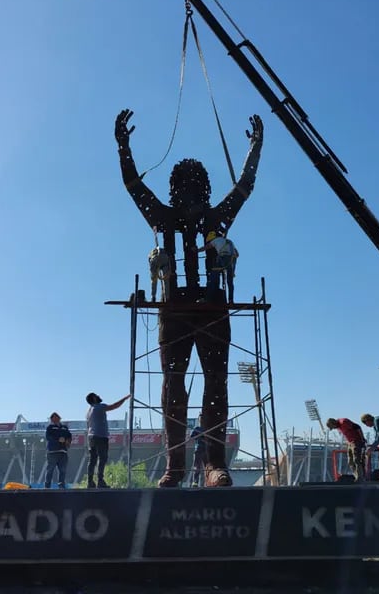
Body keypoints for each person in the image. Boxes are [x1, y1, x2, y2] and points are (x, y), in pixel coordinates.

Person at [116, 108, 263, 488]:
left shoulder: (217, 221)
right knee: (173, 387)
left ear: (207, 190)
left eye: (198, 186)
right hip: (175, 310)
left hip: (212, 310)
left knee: (217, 384)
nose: (192, 193)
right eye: (184, 186)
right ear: (174, 190)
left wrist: (255, 149)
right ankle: (176, 466)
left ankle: (215, 464)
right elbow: (134, 188)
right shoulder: (163, 220)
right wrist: (123, 147)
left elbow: (244, 188)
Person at [85, 392, 131, 488]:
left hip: (91, 436)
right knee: (102, 458)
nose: (98, 396)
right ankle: (100, 481)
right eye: (96, 395)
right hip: (100, 436)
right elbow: (114, 406)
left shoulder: (89, 411)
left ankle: (90, 482)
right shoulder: (99, 407)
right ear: (93, 399)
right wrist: (125, 398)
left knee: (92, 459)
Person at [201, 230, 239, 303]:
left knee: (212, 279)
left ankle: (208, 299)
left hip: (222, 259)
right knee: (230, 282)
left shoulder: (215, 240)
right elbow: (237, 254)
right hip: (230, 262)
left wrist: (196, 250)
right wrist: (233, 271)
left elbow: (205, 247)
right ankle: (231, 300)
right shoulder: (229, 242)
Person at [326, 417, 367, 481]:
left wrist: (362, 439)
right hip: (350, 443)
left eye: (333, 427)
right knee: (350, 461)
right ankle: (357, 476)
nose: (334, 428)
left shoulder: (344, 422)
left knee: (357, 460)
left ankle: (360, 477)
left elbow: (357, 427)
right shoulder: (338, 427)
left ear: (334, 423)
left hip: (356, 441)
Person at [44, 412, 72, 489]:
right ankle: (47, 486)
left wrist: (68, 441)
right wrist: (58, 440)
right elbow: (48, 437)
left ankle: (61, 485)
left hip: (63, 452)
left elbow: (69, 436)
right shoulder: (50, 427)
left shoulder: (64, 427)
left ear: (59, 418)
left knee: (63, 470)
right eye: (53, 418)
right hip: (52, 452)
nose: (55, 419)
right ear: (51, 419)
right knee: (50, 470)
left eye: (57, 417)